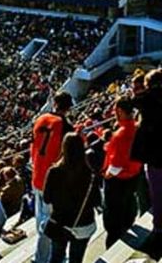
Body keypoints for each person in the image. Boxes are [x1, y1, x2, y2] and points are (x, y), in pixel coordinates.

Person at [30, 92, 74, 263]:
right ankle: (42, 258)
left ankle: (44, 256)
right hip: (52, 181)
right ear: (69, 107)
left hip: (37, 175)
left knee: (40, 217)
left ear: (54, 103)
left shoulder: (40, 119)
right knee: (48, 222)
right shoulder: (66, 126)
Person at [42, 132, 100, 263]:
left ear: (64, 148)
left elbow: (46, 198)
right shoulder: (90, 174)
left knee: (56, 257)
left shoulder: (54, 171)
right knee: (76, 259)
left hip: (60, 223)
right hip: (84, 224)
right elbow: (97, 201)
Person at [126, 68, 162, 256]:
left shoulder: (150, 100)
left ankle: (159, 231)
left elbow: (130, 101)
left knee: (157, 193)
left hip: (156, 158)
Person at [102, 98, 142, 248]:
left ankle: (113, 245)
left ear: (119, 111)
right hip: (134, 175)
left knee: (113, 217)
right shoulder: (138, 127)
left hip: (118, 181)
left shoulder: (121, 134)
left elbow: (116, 166)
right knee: (129, 205)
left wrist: (107, 175)